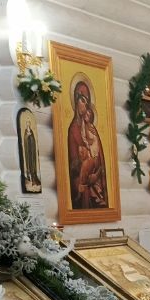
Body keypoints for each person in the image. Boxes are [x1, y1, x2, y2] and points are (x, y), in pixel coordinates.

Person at [67, 78, 107, 209]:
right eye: (83, 100)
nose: (86, 105)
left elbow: (100, 159)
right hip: (81, 182)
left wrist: (96, 175)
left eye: (87, 102)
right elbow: (72, 166)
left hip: (94, 179)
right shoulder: (73, 130)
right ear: (76, 101)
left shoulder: (92, 129)